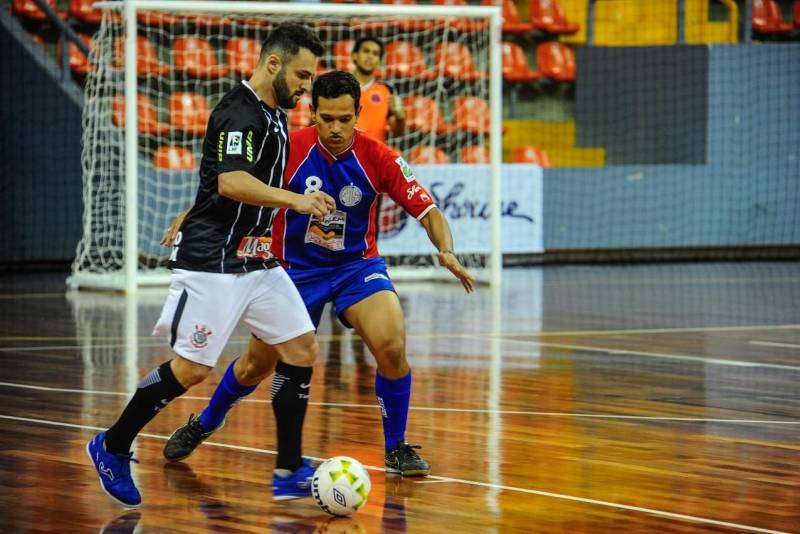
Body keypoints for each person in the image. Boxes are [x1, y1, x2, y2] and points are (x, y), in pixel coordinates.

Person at [162, 71, 474, 478]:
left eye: (345, 118)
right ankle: (206, 422)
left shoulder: (379, 156)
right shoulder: (289, 149)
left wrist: (445, 250)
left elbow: (428, 210)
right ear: (313, 114)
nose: (336, 128)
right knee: (256, 366)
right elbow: (231, 185)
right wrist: (191, 214)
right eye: (327, 118)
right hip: (292, 272)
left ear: (358, 113)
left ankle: (396, 447)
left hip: (354, 267)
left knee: (392, 344)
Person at [85, 23, 332, 508]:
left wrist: (197, 205)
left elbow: (219, 184)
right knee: (193, 369)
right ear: (274, 64)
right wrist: (295, 203)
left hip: (256, 259)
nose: (307, 87)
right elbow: (231, 182)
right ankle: (112, 444)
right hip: (214, 261)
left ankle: (287, 470)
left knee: (302, 348)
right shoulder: (238, 113)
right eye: (302, 76)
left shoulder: (274, 114)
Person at [350, 35, 405, 144]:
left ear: (379, 61)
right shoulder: (338, 85)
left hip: (374, 156)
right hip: (343, 155)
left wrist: (400, 117)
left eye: (375, 54)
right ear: (354, 55)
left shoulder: (387, 89)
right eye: (366, 51)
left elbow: (398, 131)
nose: (370, 56)